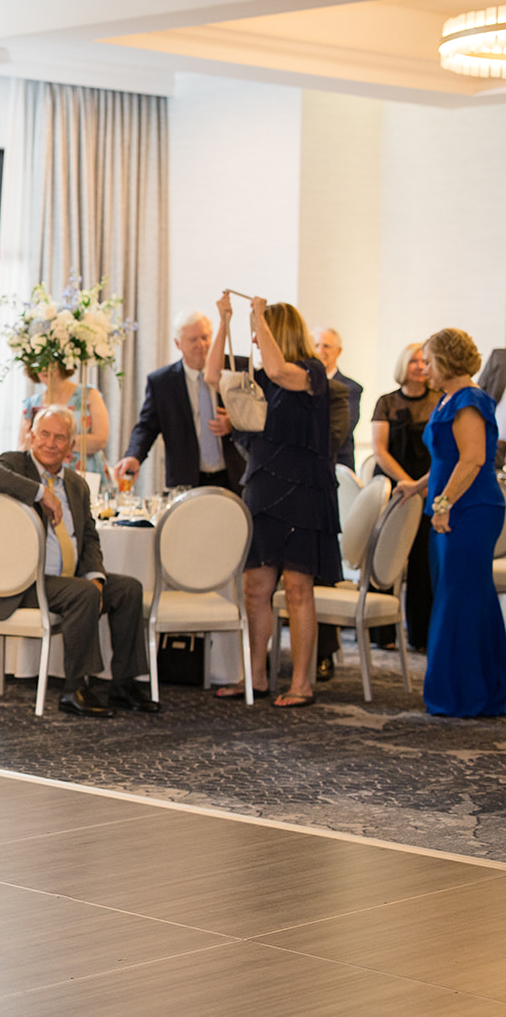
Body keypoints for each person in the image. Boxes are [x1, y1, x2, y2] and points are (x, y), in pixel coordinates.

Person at [0, 405, 161, 718]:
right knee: (82, 593)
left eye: (60, 438)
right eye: (44, 434)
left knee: (127, 589)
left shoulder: (76, 484)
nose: (50, 443)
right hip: (24, 581)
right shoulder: (15, 464)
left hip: (66, 579)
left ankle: (124, 684)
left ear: (72, 447)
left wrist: (96, 576)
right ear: (31, 437)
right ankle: (74, 688)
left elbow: (88, 538)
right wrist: (40, 492)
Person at [206, 293, 339, 708]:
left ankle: (301, 683)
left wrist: (259, 315)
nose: (255, 341)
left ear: (277, 335)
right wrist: (224, 321)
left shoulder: (310, 373)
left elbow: (281, 368)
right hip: (262, 487)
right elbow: (213, 376)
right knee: (255, 588)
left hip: (302, 489)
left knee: (298, 588)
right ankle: (256, 677)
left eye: (260, 334)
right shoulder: (262, 380)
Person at [394, 328, 506, 716]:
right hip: (452, 505)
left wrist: (443, 503)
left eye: (428, 361)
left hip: (470, 511)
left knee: (460, 600)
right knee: (463, 597)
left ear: (445, 362)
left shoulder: (470, 401)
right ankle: (483, 690)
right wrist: (417, 486)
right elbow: (446, 460)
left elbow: (474, 459)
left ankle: (466, 695)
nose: (423, 369)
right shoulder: (449, 400)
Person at [115, 309, 246, 492]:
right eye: (193, 340)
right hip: (187, 480)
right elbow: (146, 427)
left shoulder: (237, 369)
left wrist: (235, 423)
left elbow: (257, 415)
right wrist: (134, 456)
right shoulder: (162, 383)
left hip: (234, 476)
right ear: (178, 344)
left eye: (205, 337)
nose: (201, 345)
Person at [369, 343, 439, 650]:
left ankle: (421, 636)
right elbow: (380, 449)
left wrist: (421, 486)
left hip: (429, 487)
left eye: (425, 361)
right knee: (387, 556)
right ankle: (382, 634)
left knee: (423, 561)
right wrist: (406, 482)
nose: (420, 365)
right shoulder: (386, 401)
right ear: (403, 365)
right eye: (414, 360)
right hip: (393, 487)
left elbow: (444, 451)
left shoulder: (441, 401)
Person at [19, 364, 109, 476]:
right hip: (43, 475)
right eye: (38, 361)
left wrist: (54, 444)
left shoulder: (88, 395)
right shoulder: (31, 403)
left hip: (85, 472)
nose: (44, 367)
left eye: (51, 361)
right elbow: (23, 446)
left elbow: (101, 440)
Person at [314, 328, 362, 470]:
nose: (320, 350)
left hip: (338, 464)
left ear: (338, 351)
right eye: (316, 345)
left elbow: (343, 428)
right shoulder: (302, 385)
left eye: (326, 346)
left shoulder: (350, 388)